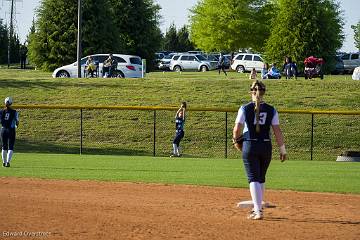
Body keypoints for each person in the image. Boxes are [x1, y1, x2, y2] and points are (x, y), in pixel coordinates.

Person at [232, 80, 286, 220]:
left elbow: (237, 129)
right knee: (261, 178)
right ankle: (259, 208)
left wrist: (236, 142)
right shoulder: (271, 109)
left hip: (250, 144)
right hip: (266, 146)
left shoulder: (244, 108)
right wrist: (282, 149)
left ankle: (257, 210)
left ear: (252, 92)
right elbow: (277, 131)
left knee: (253, 178)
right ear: (263, 93)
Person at [1, 97, 19, 168]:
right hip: (11, 130)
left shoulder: (1, 111)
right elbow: (17, 122)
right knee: (10, 146)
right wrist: (16, 125)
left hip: (3, 130)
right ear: (11, 103)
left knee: (4, 146)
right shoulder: (14, 112)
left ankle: (3, 162)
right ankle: (8, 162)